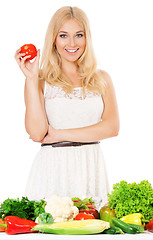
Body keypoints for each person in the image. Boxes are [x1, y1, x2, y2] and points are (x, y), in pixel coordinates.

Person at [14, 6, 119, 206]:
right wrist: (31, 78)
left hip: (91, 168)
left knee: (93, 228)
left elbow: (111, 128)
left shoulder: (101, 79)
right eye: (63, 35)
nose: (72, 43)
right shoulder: (40, 80)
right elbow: (37, 133)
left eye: (79, 35)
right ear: (53, 39)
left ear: (87, 38)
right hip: (53, 170)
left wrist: (59, 134)